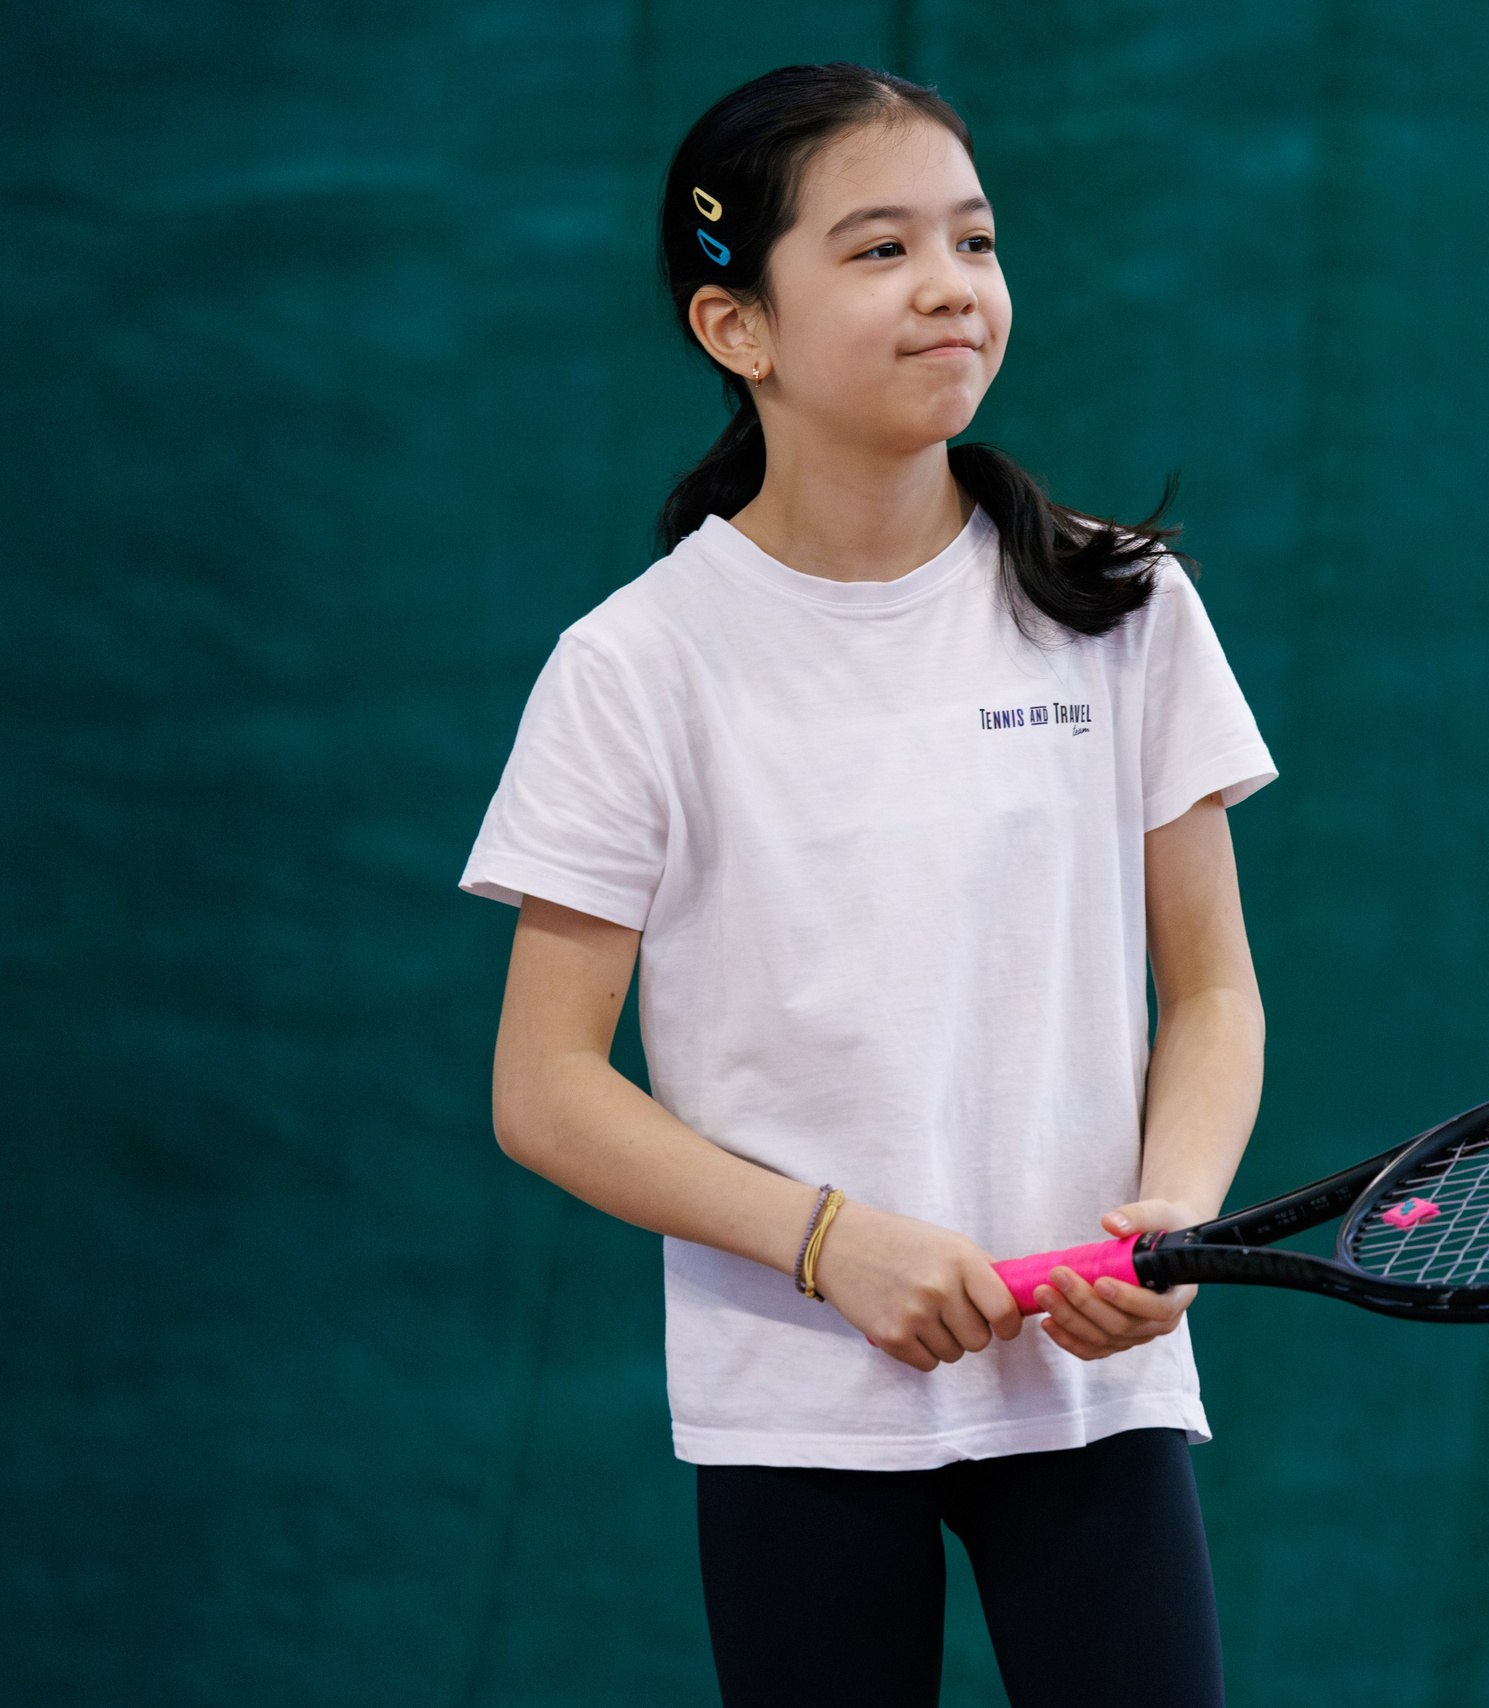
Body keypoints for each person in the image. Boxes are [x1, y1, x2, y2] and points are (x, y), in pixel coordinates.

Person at [460, 62, 1269, 1706]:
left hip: (1087, 1389)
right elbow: (544, 1091)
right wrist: (833, 1247)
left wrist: (1172, 1210)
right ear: (735, 328)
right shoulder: (634, 667)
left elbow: (1212, 989)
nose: (952, 289)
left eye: (973, 241)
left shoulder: (1123, 606)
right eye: (880, 249)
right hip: (798, 1405)